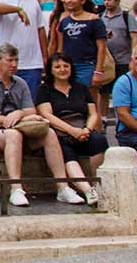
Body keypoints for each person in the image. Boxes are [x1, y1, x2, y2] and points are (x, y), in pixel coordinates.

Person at [0, 43, 70, 206]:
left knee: (49, 133)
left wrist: (19, 114)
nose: (14, 65)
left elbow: (31, 110)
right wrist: (14, 119)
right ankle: (16, 188)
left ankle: (63, 186)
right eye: (9, 60)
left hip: (20, 130)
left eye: (16, 60)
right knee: (13, 134)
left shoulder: (20, 83)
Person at [35, 53, 107, 205]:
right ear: (51, 70)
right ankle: (88, 190)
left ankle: (97, 184)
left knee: (99, 141)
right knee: (66, 151)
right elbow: (46, 115)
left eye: (66, 66)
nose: (62, 69)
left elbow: (93, 113)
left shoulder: (81, 88)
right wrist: (71, 131)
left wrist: (87, 129)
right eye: (57, 67)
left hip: (83, 130)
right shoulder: (44, 89)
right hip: (60, 133)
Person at [50, 0, 111, 96]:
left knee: (90, 101)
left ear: (82, 0)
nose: (69, 1)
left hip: (87, 65)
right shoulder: (64, 21)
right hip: (68, 67)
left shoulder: (94, 20)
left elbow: (101, 47)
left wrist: (98, 71)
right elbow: (60, 47)